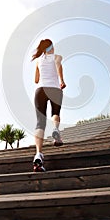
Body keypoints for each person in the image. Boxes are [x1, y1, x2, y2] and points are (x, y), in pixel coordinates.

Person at [31, 39, 66, 172]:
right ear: (51, 48)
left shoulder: (38, 60)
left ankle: (38, 154)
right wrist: (61, 81)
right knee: (55, 113)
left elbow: (36, 80)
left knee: (40, 123)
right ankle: (56, 130)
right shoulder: (57, 57)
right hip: (54, 88)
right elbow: (58, 66)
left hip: (40, 90)